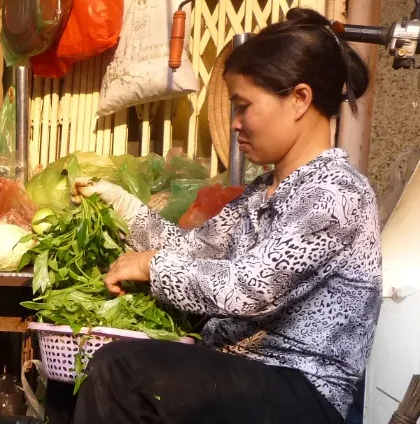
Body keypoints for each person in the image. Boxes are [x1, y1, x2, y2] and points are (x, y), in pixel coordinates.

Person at [65, 7, 382, 424]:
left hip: (303, 391)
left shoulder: (336, 194)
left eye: (244, 106)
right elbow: (193, 249)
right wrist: (121, 206)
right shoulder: (260, 195)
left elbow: (249, 289)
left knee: (123, 371)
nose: (235, 124)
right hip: (246, 377)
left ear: (299, 99)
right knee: (79, 379)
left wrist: (152, 266)